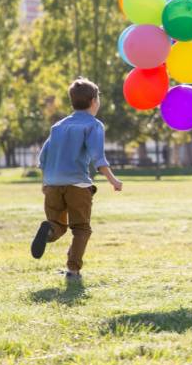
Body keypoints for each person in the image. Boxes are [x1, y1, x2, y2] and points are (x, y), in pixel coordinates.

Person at [31, 78, 123, 282]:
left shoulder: (58, 126)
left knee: (58, 225)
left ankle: (48, 232)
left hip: (52, 184)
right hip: (77, 185)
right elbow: (98, 157)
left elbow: (43, 158)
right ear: (93, 101)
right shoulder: (93, 125)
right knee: (81, 228)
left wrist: (45, 184)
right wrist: (113, 180)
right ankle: (73, 271)